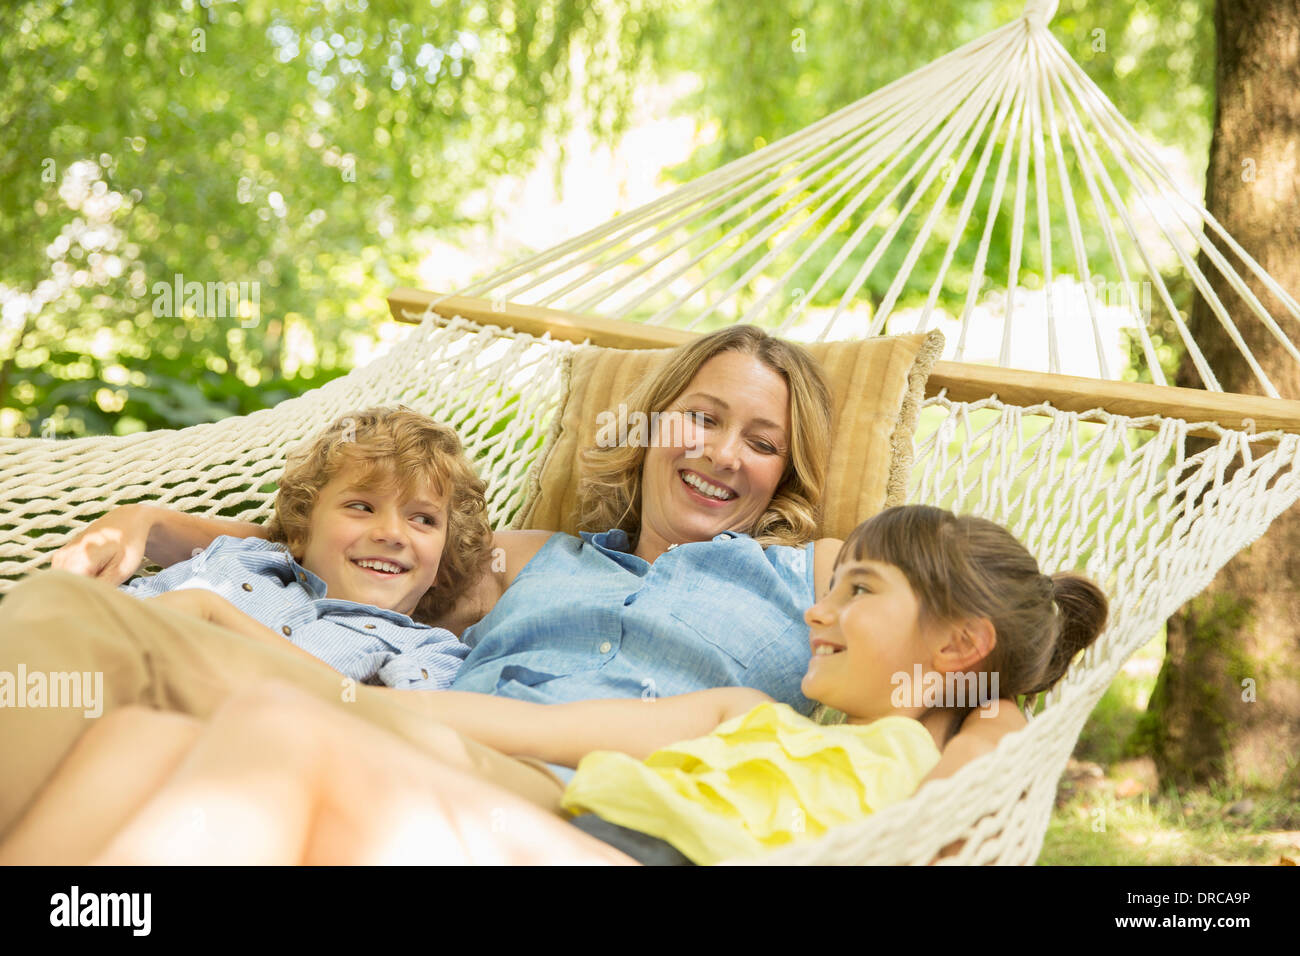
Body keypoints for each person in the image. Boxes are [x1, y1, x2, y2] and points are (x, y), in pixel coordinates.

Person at [0, 325, 838, 837]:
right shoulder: (537, 555)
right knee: (133, 732)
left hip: (564, 799)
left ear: (786, 472)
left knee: (91, 627)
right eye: (702, 417)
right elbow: (337, 538)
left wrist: (972, 777)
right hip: (419, 743)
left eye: (762, 442)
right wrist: (149, 524)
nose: (724, 453)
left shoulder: (822, 575)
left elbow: (964, 617)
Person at [0, 505, 1108, 865]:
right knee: (163, 735)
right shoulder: (751, 716)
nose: (817, 607)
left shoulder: (964, 753)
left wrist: (985, 723)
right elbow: (530, 728)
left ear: (957, 648)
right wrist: (320, 684)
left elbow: (951, 819)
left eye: (855, 589)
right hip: (568, 823)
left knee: (281, 741)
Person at [118, 405, 489, 691]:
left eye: (423, 519)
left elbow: (387, 720)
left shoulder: (430, 652)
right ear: (300, 532)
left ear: (444, 558)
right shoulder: (237, 561)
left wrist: (214, 614)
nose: (392, 534)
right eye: (361, 507)